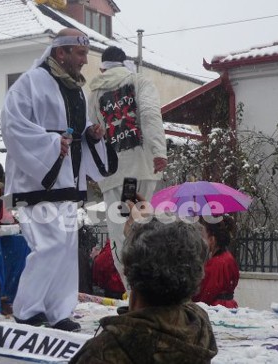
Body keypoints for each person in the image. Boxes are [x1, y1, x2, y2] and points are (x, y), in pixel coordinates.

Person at [1, 28, 113, 332]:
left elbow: (79, 126)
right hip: (36, 181)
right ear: (60, 52)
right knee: (49, 246)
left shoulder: (76, 89)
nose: (84, 61)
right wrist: (51, 145)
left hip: (68, 181)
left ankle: (59, 311)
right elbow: (13, 126)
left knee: (65, 248)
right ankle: (27, 309)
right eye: (80, 54)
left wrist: (92, 134)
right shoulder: (29, 83)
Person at [70, 199, 218, 363]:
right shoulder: (198, 327)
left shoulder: (104, 351)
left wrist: (138, 233)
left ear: (127, 269)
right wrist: (142, 229)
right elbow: (177, 267)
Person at [87, 45, 168, 292]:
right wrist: (158, 151)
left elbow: (89, 132)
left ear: (102, 68)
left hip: (115, 174)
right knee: (140, 229)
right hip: (141, 170)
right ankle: (145, 291)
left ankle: (134, 292)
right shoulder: (139, 81)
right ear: (125, 64)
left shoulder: (94, 93)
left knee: (121, 234)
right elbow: (151, 114)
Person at [193, 215, 240, 308]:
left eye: (204, 236)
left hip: (217, 308)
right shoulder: (228, 257)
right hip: (229, 306)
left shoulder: (216, 263)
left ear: (212, 240)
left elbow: (205, 293)